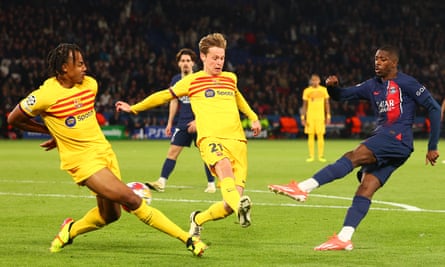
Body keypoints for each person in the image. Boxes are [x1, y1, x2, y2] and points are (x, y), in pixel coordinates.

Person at [7, 43, 207, 256]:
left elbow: (76, 121)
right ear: (65, 68)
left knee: (110, 215)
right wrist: (50, 132)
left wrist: (58, 132)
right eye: (80, 64)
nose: (85, 68)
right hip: (82, 162)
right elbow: (14, 118)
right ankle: (188, 239)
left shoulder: (90, 85)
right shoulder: (44, 95)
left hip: (104, 153)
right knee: (131, 199)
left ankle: (70, 230)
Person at [269, 45, 440, 251]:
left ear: (394, 63)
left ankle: (303, 188)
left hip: (396, 137)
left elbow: (434, 107)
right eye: (376, 58)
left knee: (354, 155)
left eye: (383, 59)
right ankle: (344, 237)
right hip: (393, 144)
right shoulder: (372, 85)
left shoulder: (407, 83)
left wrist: (432, 146)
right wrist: (332, 87)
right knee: (366, 187)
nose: (377, 62)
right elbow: (342, 95)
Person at [116, 33, 261, 237]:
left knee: (227, 206)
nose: (219, 62)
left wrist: (253, 116)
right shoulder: (192, 81)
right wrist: (134, 108)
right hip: (210, 139)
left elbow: (240, 100)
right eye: (215, 58)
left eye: (222, 58)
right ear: (202, 57)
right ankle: (240, 207)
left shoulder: (230, 79)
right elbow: (164, 96)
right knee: (224, 167)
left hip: (237, 141)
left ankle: (198, 219)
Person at [145, 48, 216, 193]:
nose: (185, 63)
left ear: (193, 63)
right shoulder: (176, 80)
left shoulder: (199, 78)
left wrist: (198, 120)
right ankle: (161, 182)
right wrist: (170, 122)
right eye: (182, 61)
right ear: (178, 64)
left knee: (206, 153)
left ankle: (211, 184)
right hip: (183, 123)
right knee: (172, 152)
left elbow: (207, 103)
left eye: (188, 61)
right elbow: (174, 101)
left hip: (200, 123)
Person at [300, 74, 331, 162]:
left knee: (320, 136)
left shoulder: (324, 90)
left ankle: (321, 156)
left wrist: (328, 116)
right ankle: (311, 156)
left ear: (319, 81)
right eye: (313, 80)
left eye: (316, 80)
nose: (314, 82)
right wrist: (303, 117)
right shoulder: (307, 91)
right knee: (310, 136)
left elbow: (327, 104)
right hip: (310, 116)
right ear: (311, 81)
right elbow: (304, 105)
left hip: (320, 116)